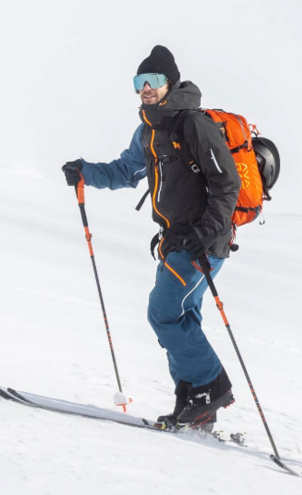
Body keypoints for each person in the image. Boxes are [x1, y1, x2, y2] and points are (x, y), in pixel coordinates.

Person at [61, 45, 241, 428]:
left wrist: (206, 231)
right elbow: (126, 171)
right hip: (176, 241)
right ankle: (193, 403)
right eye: (138, 82)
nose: (145, 88)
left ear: (169, 83)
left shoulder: (193, 125)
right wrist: (85, 172)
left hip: (204, 242)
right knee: (179, 318)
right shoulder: (148, 130)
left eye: (153, 81)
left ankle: (210, 387)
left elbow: (227, 183)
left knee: (163, 313)